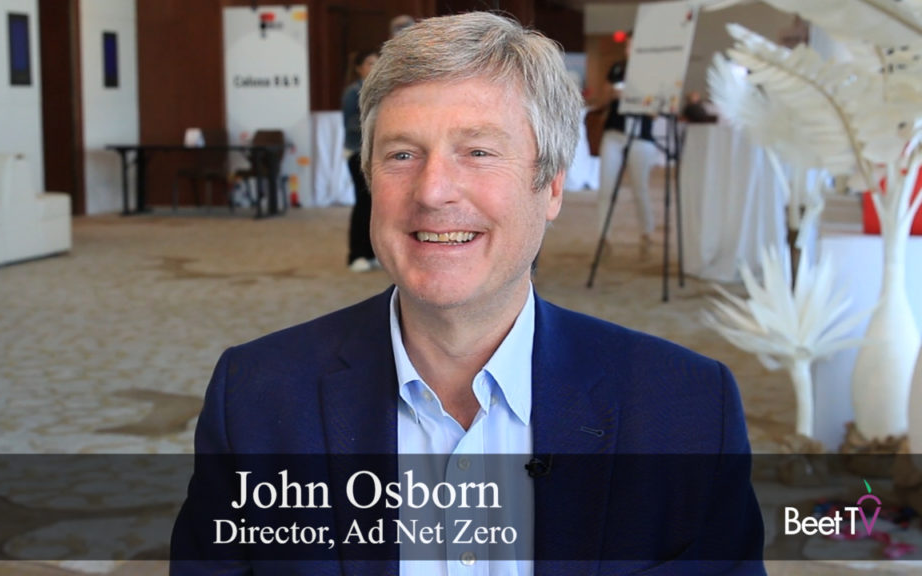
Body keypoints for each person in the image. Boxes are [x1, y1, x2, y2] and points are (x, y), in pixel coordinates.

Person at [171, 12, 764, 575]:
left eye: (478, 152)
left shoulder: (684, 410)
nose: (433, 191)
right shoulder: (257, 398)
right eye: (403, 154)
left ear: (552, 187)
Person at [595, 32, 659, 259]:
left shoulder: (653, 73)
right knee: (606, 187)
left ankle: (647, 233)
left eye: (633, 46)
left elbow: (654, 112)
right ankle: (604, 236)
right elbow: (602, 100)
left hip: (640, 135)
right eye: (628, 46)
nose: (629, 50)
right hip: (614, 133)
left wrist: (634, 96)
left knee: (640, 187)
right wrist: (612, 94)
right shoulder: (618, 69)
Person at [343, 49, 380, 272]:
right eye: (369, 63)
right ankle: (356, 254)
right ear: (358, 68)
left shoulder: (383, 90)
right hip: (358, 153)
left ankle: (373, 252)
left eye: (377, 62)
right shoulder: (352, 93)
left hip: (378, 154)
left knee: (377, 205)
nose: (374, 67)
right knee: (362, 203)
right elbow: (350, 125)